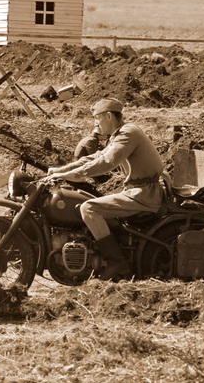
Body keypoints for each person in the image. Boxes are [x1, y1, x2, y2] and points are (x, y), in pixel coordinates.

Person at [47, 97, 164, 280]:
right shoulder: (119, 135)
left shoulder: (128, 134)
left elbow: (107, 162)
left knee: (89, 208)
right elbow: (93, 158)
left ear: (108, 116)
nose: (96, 124)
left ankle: (117, 262)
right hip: (137, 191)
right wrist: (59, 171)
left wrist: (74, 175)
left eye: (96, 118)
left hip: (144, 194)